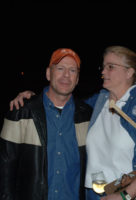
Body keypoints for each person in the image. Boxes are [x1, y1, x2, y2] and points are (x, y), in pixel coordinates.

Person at [8, 46, 136, 200]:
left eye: (110, 67)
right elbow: (62, 102)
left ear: (129, 72)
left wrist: (125, 195)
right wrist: (32, 99)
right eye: (103, 66)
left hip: (130, 194)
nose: (103, 71)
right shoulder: (98, 102)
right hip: (94, 194)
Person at [0, 48, 93, 200]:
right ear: (48, 73)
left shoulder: (88, 116)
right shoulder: (21, 112)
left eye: (72, 70)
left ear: (77, 79)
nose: (66, 75)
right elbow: (5, 170)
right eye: (60, 68)